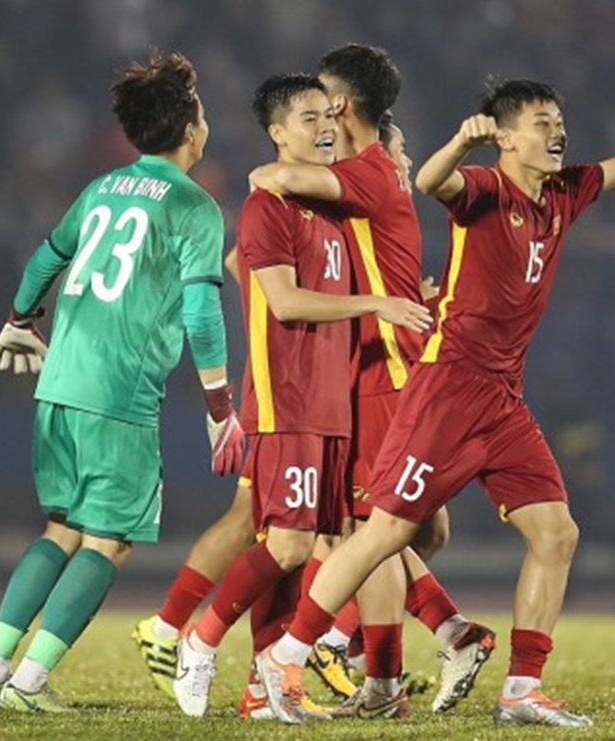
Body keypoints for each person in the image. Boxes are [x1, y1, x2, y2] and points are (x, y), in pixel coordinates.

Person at [253, 75, 615, 727]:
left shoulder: (565, 191)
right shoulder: (483, 189)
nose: (556, 130)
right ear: (504, 136)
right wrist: (459, 143)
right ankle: (286, 655)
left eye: (558, 119)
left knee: (557, 533)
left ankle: (522, 689)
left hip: (502, 396)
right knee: (388, 530)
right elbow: (431, 183)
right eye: (540, 121)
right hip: (448, 385)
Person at [0, 49, 245, 714]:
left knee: (58, 527)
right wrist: (218, 405)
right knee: (109, 541)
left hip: (58, 381)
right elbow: (203, 311)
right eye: (200, 115)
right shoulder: (194, 206)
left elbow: (47, 257)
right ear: (189, 128)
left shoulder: (101, 189)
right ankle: (29, 682)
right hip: (120, 393)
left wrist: (17, 319)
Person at [169, 73, 431, 720]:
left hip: (332, 399)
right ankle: (198, 641)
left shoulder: (330, 208)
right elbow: (282, 301)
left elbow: (244, 269)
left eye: (327, 114)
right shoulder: (269, 204)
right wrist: (376, 303)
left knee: (308, 545)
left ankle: (266, 688)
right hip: (287, 399)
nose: (322, 125)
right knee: (287, 543)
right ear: (277, 133)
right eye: (307, 116)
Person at [248, 44, 492, 719]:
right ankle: (413, 641)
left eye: (321, 99)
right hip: (390, 368)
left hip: (381, 372)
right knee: (414, 532)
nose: (317, 112)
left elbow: (270, 179)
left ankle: (371, 665)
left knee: (368, 531)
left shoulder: (363, 172)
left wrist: (274, 165)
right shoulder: (375, 171)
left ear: (343, 105)